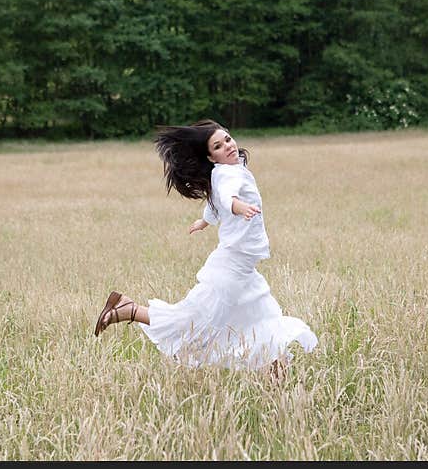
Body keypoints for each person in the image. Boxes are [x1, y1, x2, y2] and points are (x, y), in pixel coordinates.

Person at [93, 119, 317, 372]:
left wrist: (204, 221)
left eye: (228, 139)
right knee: (191, 323)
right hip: (231, 270)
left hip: (243, 270)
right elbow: (225, 196)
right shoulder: (228, 175)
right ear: (211, 157)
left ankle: (279, 391)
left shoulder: (229, 170)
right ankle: (129, 310)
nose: (229, 146)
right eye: (218, 146)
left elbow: (215, 203)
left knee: (266, 322)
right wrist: (238, 206)